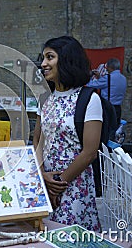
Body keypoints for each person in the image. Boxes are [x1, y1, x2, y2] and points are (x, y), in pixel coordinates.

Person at [39, 36, 101, 232]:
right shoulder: (46, 99)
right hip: (46, 183)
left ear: (66, 60)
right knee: (44, 235)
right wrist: (42, 175)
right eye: (43, 58)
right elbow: (38, 141)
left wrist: (58, 183)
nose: (43, 64)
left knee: (69, 236)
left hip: (74, 185)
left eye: (50, 57)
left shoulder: (88, 99)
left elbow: (90, 151)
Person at [87, 58, 127, 129]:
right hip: (118, 108)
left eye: (107, 67)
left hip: (108, 107)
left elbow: (90, 84)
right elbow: (110, 86)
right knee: (114, 129)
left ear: (110, 67)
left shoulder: (108, 78)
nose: (106, 69)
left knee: (106, 130)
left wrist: (90, 76)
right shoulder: (123, 78)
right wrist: (99, 77)